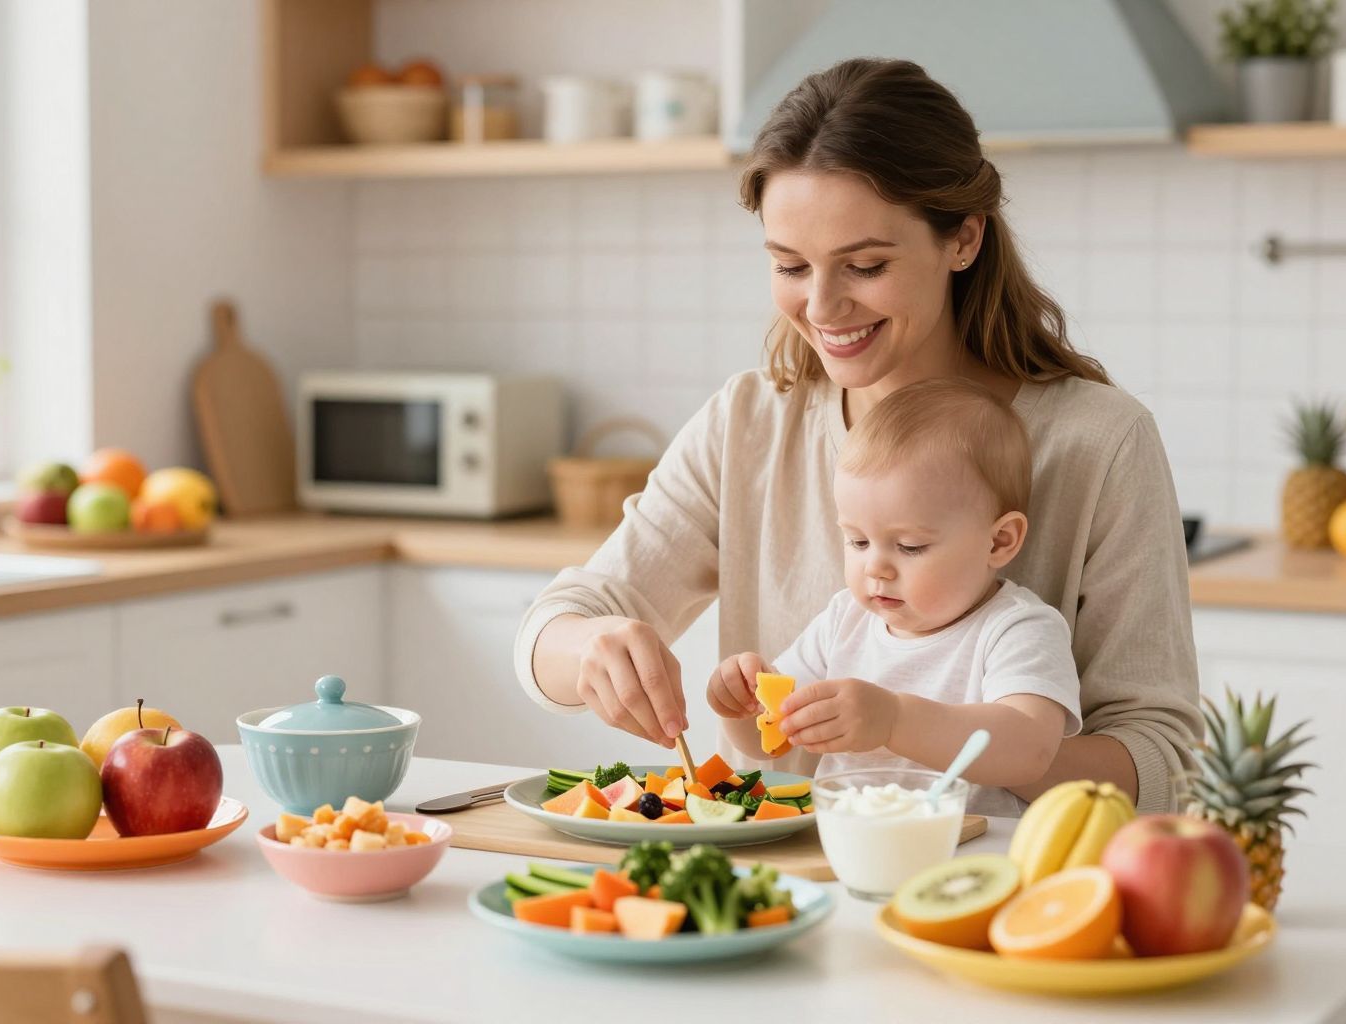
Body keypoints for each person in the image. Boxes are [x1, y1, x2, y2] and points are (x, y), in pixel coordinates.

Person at [514, 57, 1200, 813]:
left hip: (995, 890)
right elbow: (559, 623)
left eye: (864, 265)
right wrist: (594, 652)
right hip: (788, 882)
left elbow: (1160, 757)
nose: (823, 307)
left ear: (964, 239)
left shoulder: (1100, 442)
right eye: (790, 265)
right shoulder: (748, 425)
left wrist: (917, 729)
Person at [710, 377, 1079, 815]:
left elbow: (1029, 749)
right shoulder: (842, 621)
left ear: (999, 541)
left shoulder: (1016, 628)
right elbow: (768, 742)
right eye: (858, 542)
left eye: (909, 547)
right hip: (847, 848)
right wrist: (740, 706)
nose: (875, 568)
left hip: (967, 856)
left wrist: (894, 721)